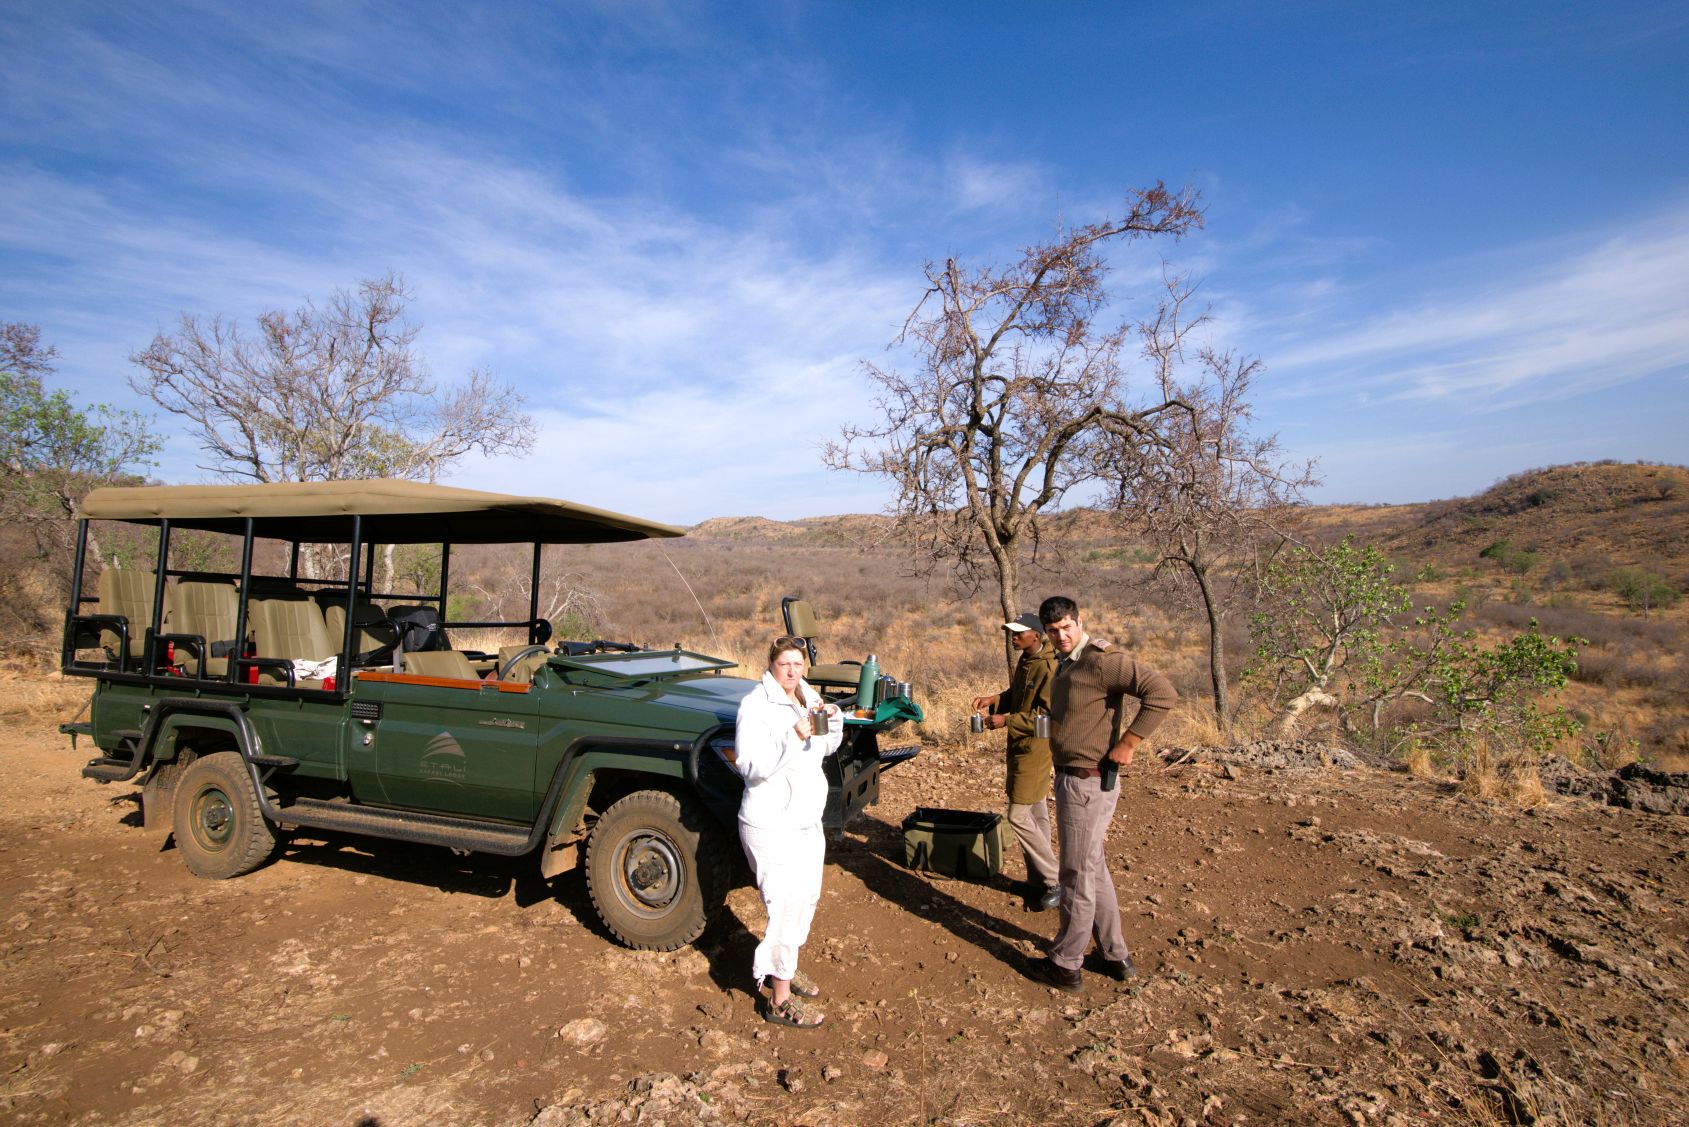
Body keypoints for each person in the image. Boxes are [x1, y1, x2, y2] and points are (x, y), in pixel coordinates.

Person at [1024, 595, 1178, 994]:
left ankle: (1065, 962)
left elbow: (1161, 693)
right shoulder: (1069, 662)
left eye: (1066, 627)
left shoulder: (1101, 659)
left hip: (1087, 781)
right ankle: (1115, 955)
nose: (1060, 635)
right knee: (1093, 866)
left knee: (1075, 874)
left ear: (1080, 621)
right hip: (1076, 777)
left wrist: (1129, 743)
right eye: (1053, 630)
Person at [732, 634, 844, 1028]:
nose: (792, 672)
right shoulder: (756, 706)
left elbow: (825, 749)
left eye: (798, 665)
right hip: (770, 821)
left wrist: (831, 722)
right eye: (785, 665)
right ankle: (778, 1000)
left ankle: (787, 967)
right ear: (771, 665)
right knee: (783, 906)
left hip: (804, 820)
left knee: (806, 898)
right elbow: (749, 765)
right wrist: (792, 735)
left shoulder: (807, 697)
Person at [970, 612, 1061, 911]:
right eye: (1011, 632)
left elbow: (1046, 716)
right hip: (1022, 745)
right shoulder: (1028, 659)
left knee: (1018, 816)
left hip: (1035, 749)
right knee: (1036, 813)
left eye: (1018, 633)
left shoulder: (1049, 667)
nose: (1013, 637)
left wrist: (1006, 720)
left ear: (1036, 634)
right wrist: (994, 699)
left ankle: (1056, 881)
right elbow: (1018, 695)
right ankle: (1038, 881)